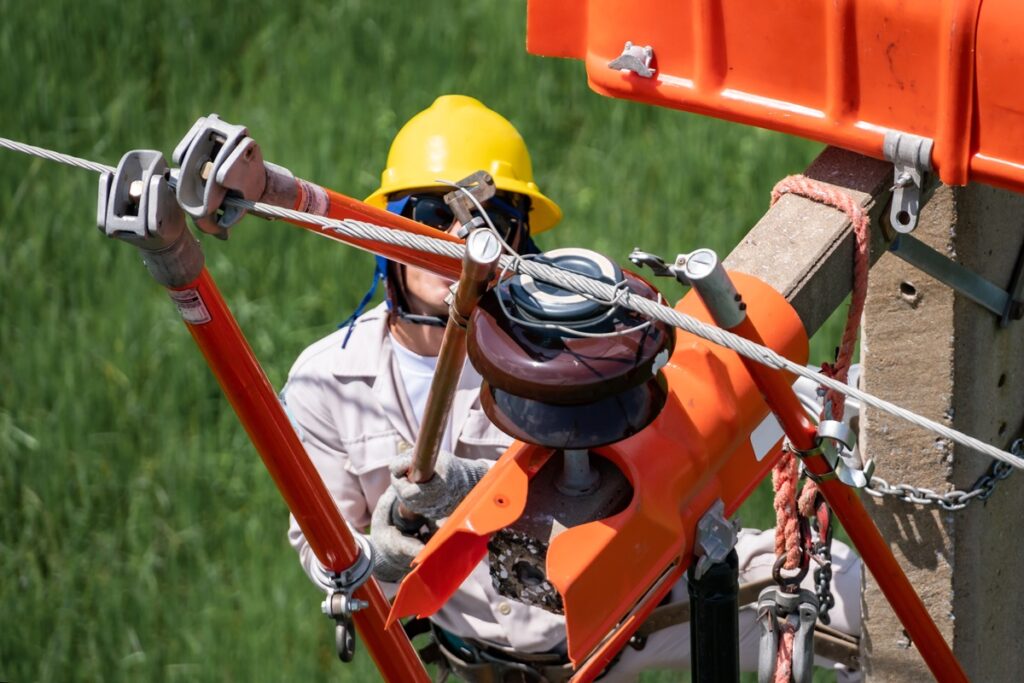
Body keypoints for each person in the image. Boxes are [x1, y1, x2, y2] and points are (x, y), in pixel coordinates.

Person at [282, 95, 863, 682]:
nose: (456, 239)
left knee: (859, 597)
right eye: (433, 217)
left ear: (518, 243)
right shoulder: (326, 382)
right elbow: (323, 547)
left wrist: (469, 494)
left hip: (639, 605)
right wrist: (375, 561)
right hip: (484, 657)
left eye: (488, 221)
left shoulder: (569, 351)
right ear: (388, 231)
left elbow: (637, 472)